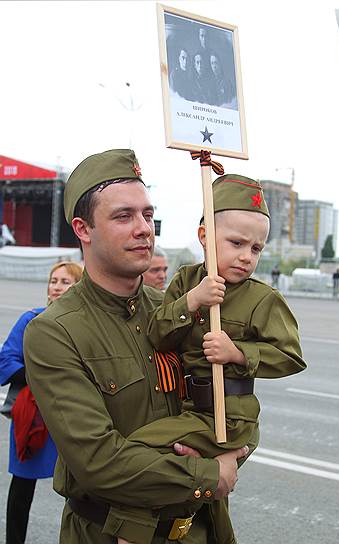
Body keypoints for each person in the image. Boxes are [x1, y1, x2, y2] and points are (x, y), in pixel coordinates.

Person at [23, 149, 248, 544]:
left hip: (200, 529)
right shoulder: (55, 332)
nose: (144, 228)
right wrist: (211, 473)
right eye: (123, 216)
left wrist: (234, 451)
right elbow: (99, 460)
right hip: (108, 533)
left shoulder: (178, 312)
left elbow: (233, 405)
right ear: (83, 228)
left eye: (147, 214)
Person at [111, 174, 307, 543]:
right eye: (236, 243)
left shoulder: (262, 299)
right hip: (188, 407)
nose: (247, 257)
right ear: (204, 237)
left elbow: (291, 356)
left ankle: (129, 533)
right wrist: (192, 302)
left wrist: (237, 352)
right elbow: (156, 334)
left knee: (138, 449)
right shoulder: (187, 281)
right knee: (196, 489)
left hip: (227, 416)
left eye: (257, 248)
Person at [0, 260, 83, 544]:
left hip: (74, 417)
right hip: (34, 416)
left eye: (66, 282)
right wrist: (37, 377)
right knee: (22, 486)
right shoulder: (30, 319)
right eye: (54, 281)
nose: (57, 287)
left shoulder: (84, 325)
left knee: (82, 490)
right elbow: (5, 361)